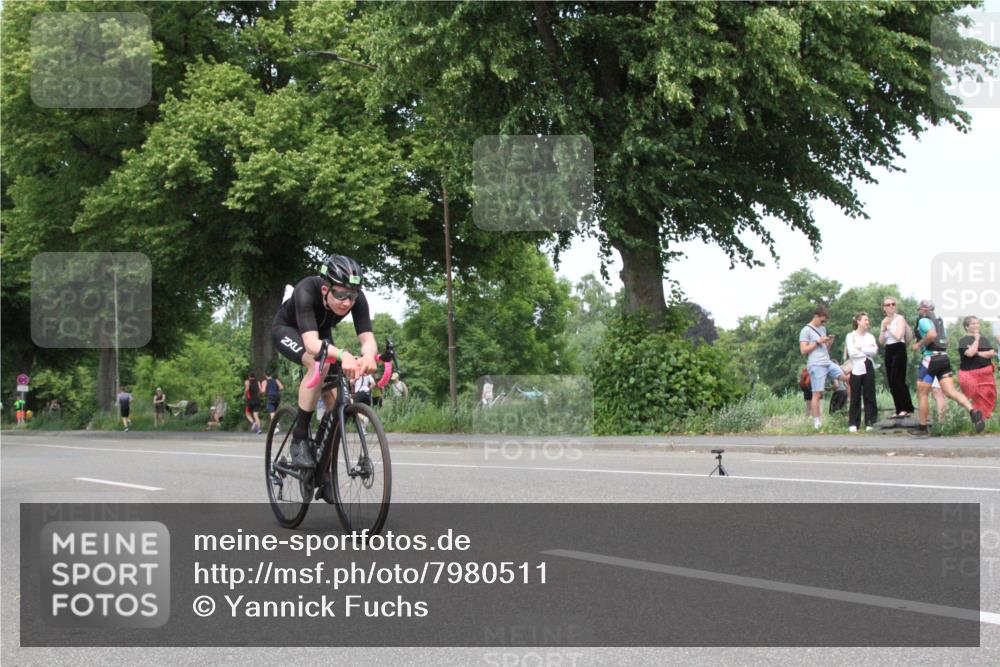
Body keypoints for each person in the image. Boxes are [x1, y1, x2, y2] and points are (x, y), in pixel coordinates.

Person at [271, 254, 377, 468]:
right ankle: (299, 439)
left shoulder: (356, 299)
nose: (347, 302)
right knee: (320, 362)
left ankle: (324, 467)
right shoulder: (306, 290)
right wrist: (343, 355)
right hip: (288, 329)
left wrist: (367, 356)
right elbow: (311, 344)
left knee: (338, 400)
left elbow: (368, 339)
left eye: (353, 296)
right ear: (324, 290)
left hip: (321, 331)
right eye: (341, 295)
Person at [911, 299, 984, 437]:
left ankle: (922, 428)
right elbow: (946, 341)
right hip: (944, 359)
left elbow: (931, 335)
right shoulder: (938, 322)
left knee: (922, 393)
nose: (918, 311)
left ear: (924, 309)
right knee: (950, 392)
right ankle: (973, 411)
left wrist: (918, 344)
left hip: (930, 359)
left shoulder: (923, 320)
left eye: (919, 309)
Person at [799, 306, 845, 430]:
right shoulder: (806, 330)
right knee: (817, 393)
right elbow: (803, 350)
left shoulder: (822, 329)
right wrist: (818, 342)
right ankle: (817, 423)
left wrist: (829, 342)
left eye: (825, 322)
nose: (823, 323)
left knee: (846, 377)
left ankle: (853, 408)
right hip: (816, 364)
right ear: (816, 316)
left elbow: (825, 350)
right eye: (822, 320)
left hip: (827, 361)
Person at [878, 296, 914, 418]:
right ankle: (899, 409)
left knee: (898, 379)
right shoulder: (884, 321)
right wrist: (883, 330)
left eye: (893, 304)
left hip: (899, 348)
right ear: (884, 308)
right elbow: (881, 341)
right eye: (888, 304)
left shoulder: (900, 319)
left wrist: (888, 327)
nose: (891, 306)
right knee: (891, 381)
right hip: (889, 349)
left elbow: (899, 336)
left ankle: (906, 408)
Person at [957, 316, 996, 420]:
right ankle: (975, 419)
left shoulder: (985, 339)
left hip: (986, 375)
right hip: (969, 374)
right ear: (966, 327)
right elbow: (970, 353)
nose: (976, 325)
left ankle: (984, 419)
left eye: (977, 323)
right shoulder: (963, 341)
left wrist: (978, 352)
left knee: (988, 396)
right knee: (973, 397)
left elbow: (991, 353)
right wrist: (976, 340)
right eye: (973, 324)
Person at [845, 312, 878, 432]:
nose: (867, 322)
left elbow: (874, 351)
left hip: (868, 365)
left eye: (868, 320)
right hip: (856, 366)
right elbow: (852, 352)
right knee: (855, 394)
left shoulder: (870, 336)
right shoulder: (850, 336)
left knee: (869, 394)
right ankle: (853, 423)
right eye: (865, 320)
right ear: (858, 321)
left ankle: (870, 421)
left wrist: (861, 348)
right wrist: (865, 350)